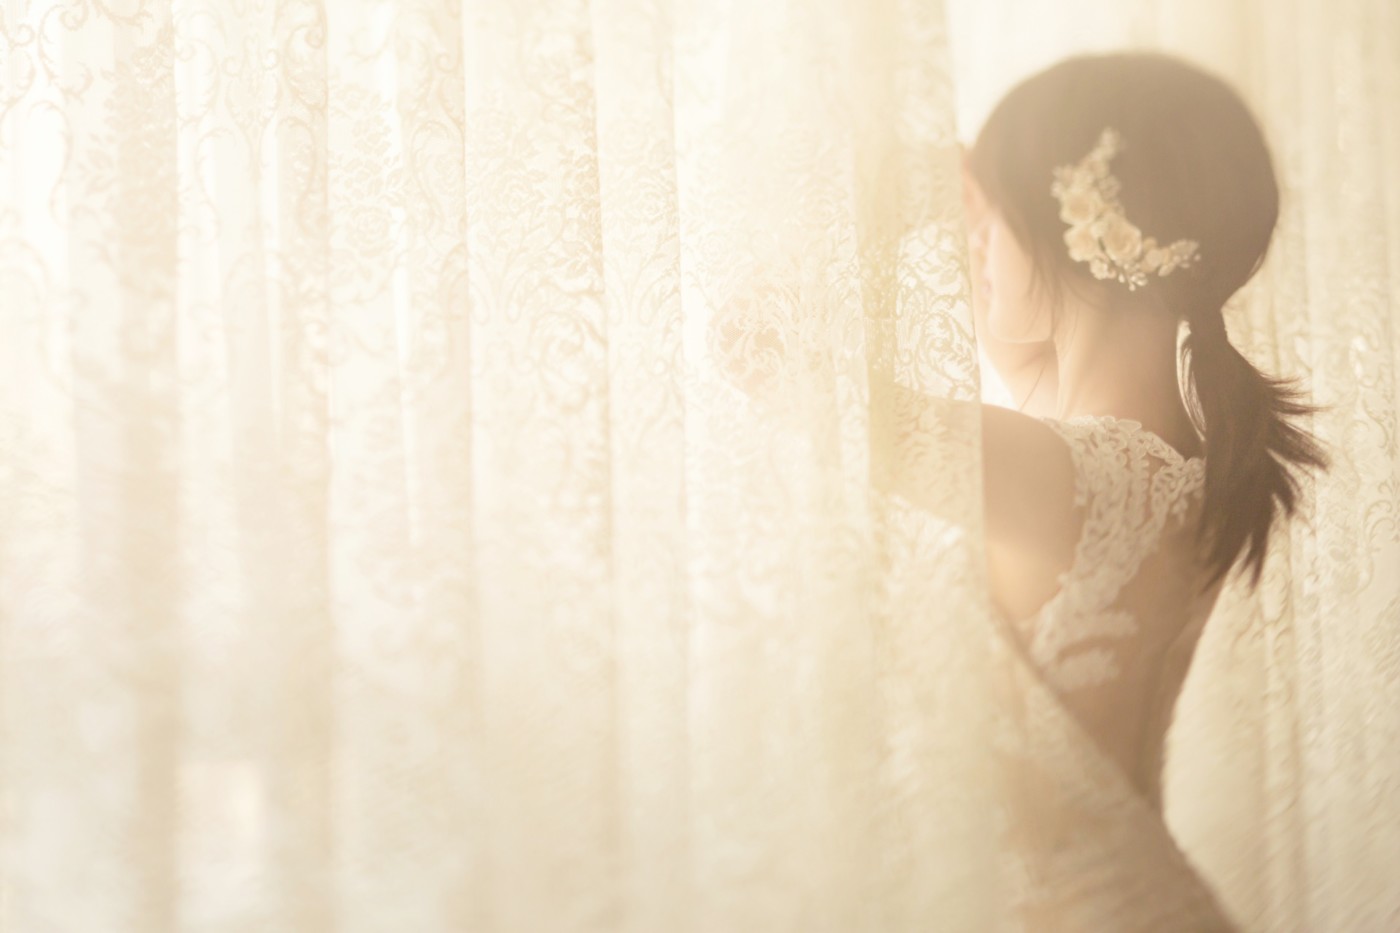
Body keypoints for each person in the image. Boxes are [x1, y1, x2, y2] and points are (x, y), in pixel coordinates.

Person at [955, 52, 1329, 929]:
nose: (972, 240)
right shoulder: (1171, 463)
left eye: (993, 214)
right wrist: (985, 191)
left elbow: (763, 354)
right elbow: (1015, 339)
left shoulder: (1062, 469)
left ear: (1076, 223)